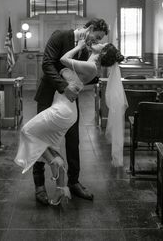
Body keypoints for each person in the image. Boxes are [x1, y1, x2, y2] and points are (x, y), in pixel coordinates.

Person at [14, 40, 124, 205]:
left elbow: (64, 60)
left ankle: (54, 163)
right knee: (50, 146)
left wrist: (78, 46)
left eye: (102, 43)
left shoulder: (91, 67)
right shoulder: (90, 63)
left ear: (102, 52)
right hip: (64, 107)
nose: (98, 42)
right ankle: (60, 189)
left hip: (63, 110)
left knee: (27, 131)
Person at [32, 18, 109, 204]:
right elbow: (47, 64)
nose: (97, 42)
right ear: (89, 29)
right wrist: (63, 87)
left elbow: (83, 77)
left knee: (74, 140)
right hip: (49, 95)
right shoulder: (60, 36)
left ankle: (74, 182)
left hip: (70, 100)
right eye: (97, 37)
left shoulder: (88, 49)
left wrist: (95, 73)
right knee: (41, 137)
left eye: (100, 40)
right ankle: (39, 185)